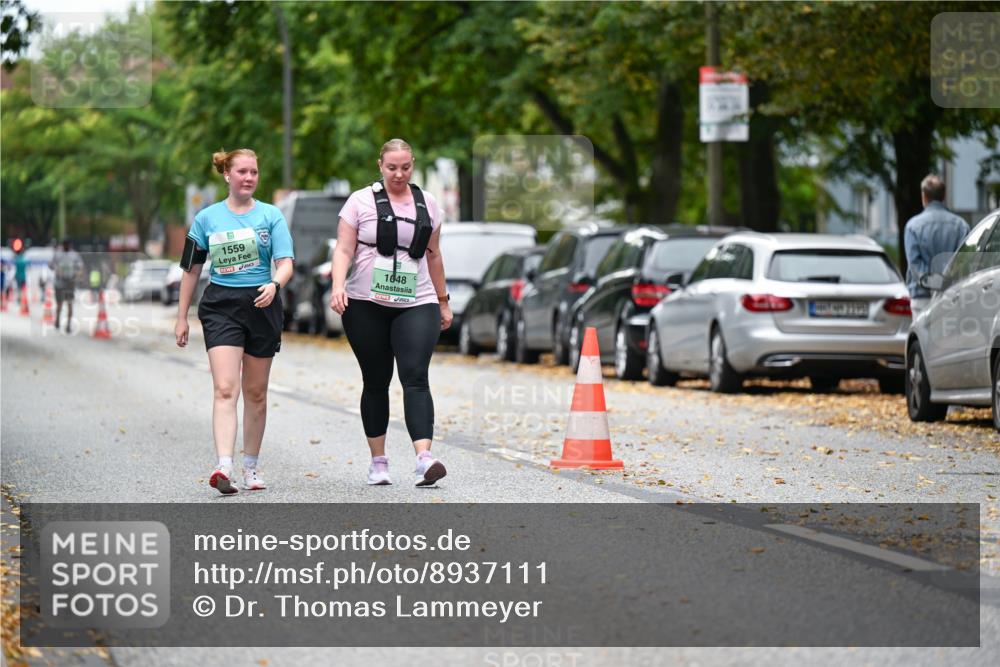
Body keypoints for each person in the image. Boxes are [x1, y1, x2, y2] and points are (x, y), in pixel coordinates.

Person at [330, 138, 453, 487]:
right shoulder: (359, 201)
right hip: (365, 303)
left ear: (412, 165)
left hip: (417, 301)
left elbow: (433, 255)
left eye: (406, 167)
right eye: (392, 168)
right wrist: (338, 286)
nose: (399, 174)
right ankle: (378, 462)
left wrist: (443, 300)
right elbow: (343, 249)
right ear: (380, 166)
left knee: (415, 376)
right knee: (376, 380)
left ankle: (424, 458)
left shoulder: (428, 203)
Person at [174, 148, 294, 495]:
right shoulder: (206, 218)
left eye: (254, 172)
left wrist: (275, 284)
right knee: (226, 388)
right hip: (221, 306)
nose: (249, 178)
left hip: (262, 303)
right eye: (242, 171)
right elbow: (191, 269)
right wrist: (181, 317)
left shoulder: (271, 216)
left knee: (256, 392)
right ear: (227, 175)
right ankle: (223, 465)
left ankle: (250, 466)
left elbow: (286, 263)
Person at [904, 174, 970, 319]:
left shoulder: (913, 226)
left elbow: (915, 265)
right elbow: (964, 262)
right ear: (944, 196)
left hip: (922, 297)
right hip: (952, 295)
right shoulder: (961, 225)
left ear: (924, 196)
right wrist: (945, 284)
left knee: (922, 333)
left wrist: (935, 283)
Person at [50, 238, 84, 333]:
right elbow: (51, 265)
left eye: (68, 245)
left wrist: (77, 275)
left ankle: (68, 324)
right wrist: (56, 269)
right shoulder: (58, 254)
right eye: (65, 245)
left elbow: (80, 267)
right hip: (59, 282)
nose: (66, 246)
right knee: (59, 303)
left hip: (70, 282)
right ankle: (57, 320)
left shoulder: (74, 255)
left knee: (69, 303)